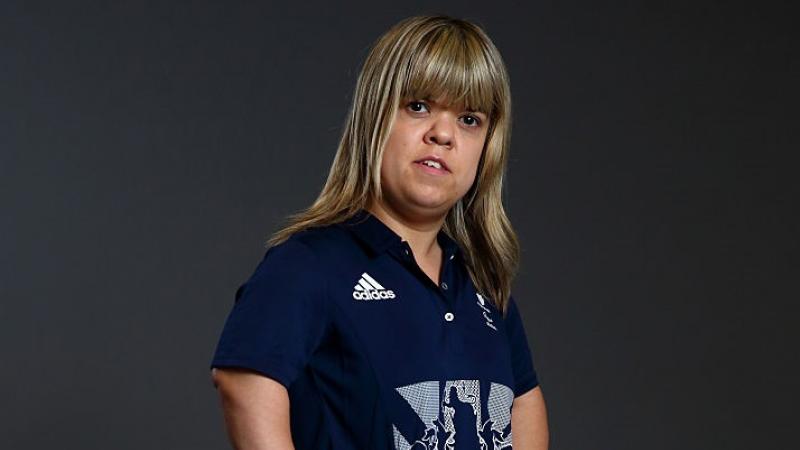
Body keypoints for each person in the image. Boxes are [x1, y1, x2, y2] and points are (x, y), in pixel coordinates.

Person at [209, 14, 549, 450]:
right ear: (375, 117)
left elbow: (523, 402)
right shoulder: (312, 263)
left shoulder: (482, 284)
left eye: (469, 119)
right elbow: (244, 380)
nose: (442, 134)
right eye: (419, 106)